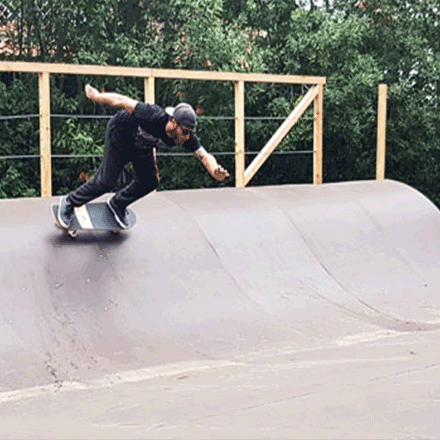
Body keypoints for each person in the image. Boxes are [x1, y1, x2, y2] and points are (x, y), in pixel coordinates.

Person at [57, 84, 230, 228]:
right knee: (107, 181)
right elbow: (122, 101)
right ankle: (70, 202)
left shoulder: (186, 138)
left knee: (150, 181)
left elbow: (204, 155)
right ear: (173, 122)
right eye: (184, 131)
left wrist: (214, 170)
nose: (186, 137)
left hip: (141, 148)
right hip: (120, 135)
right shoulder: (153, 115)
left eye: (189, 133)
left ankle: (117, 203)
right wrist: (96, 97)